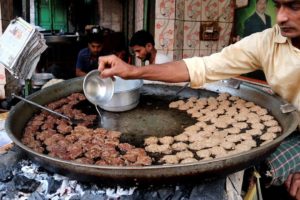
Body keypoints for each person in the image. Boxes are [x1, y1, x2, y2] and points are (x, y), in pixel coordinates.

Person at [98, 0, 300, 199]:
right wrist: (133, 71)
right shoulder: (268, 41)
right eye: (278, 5)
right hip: (292, 122)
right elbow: (202, 66)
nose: (281, 16)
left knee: (265, 167)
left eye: (294, 6)